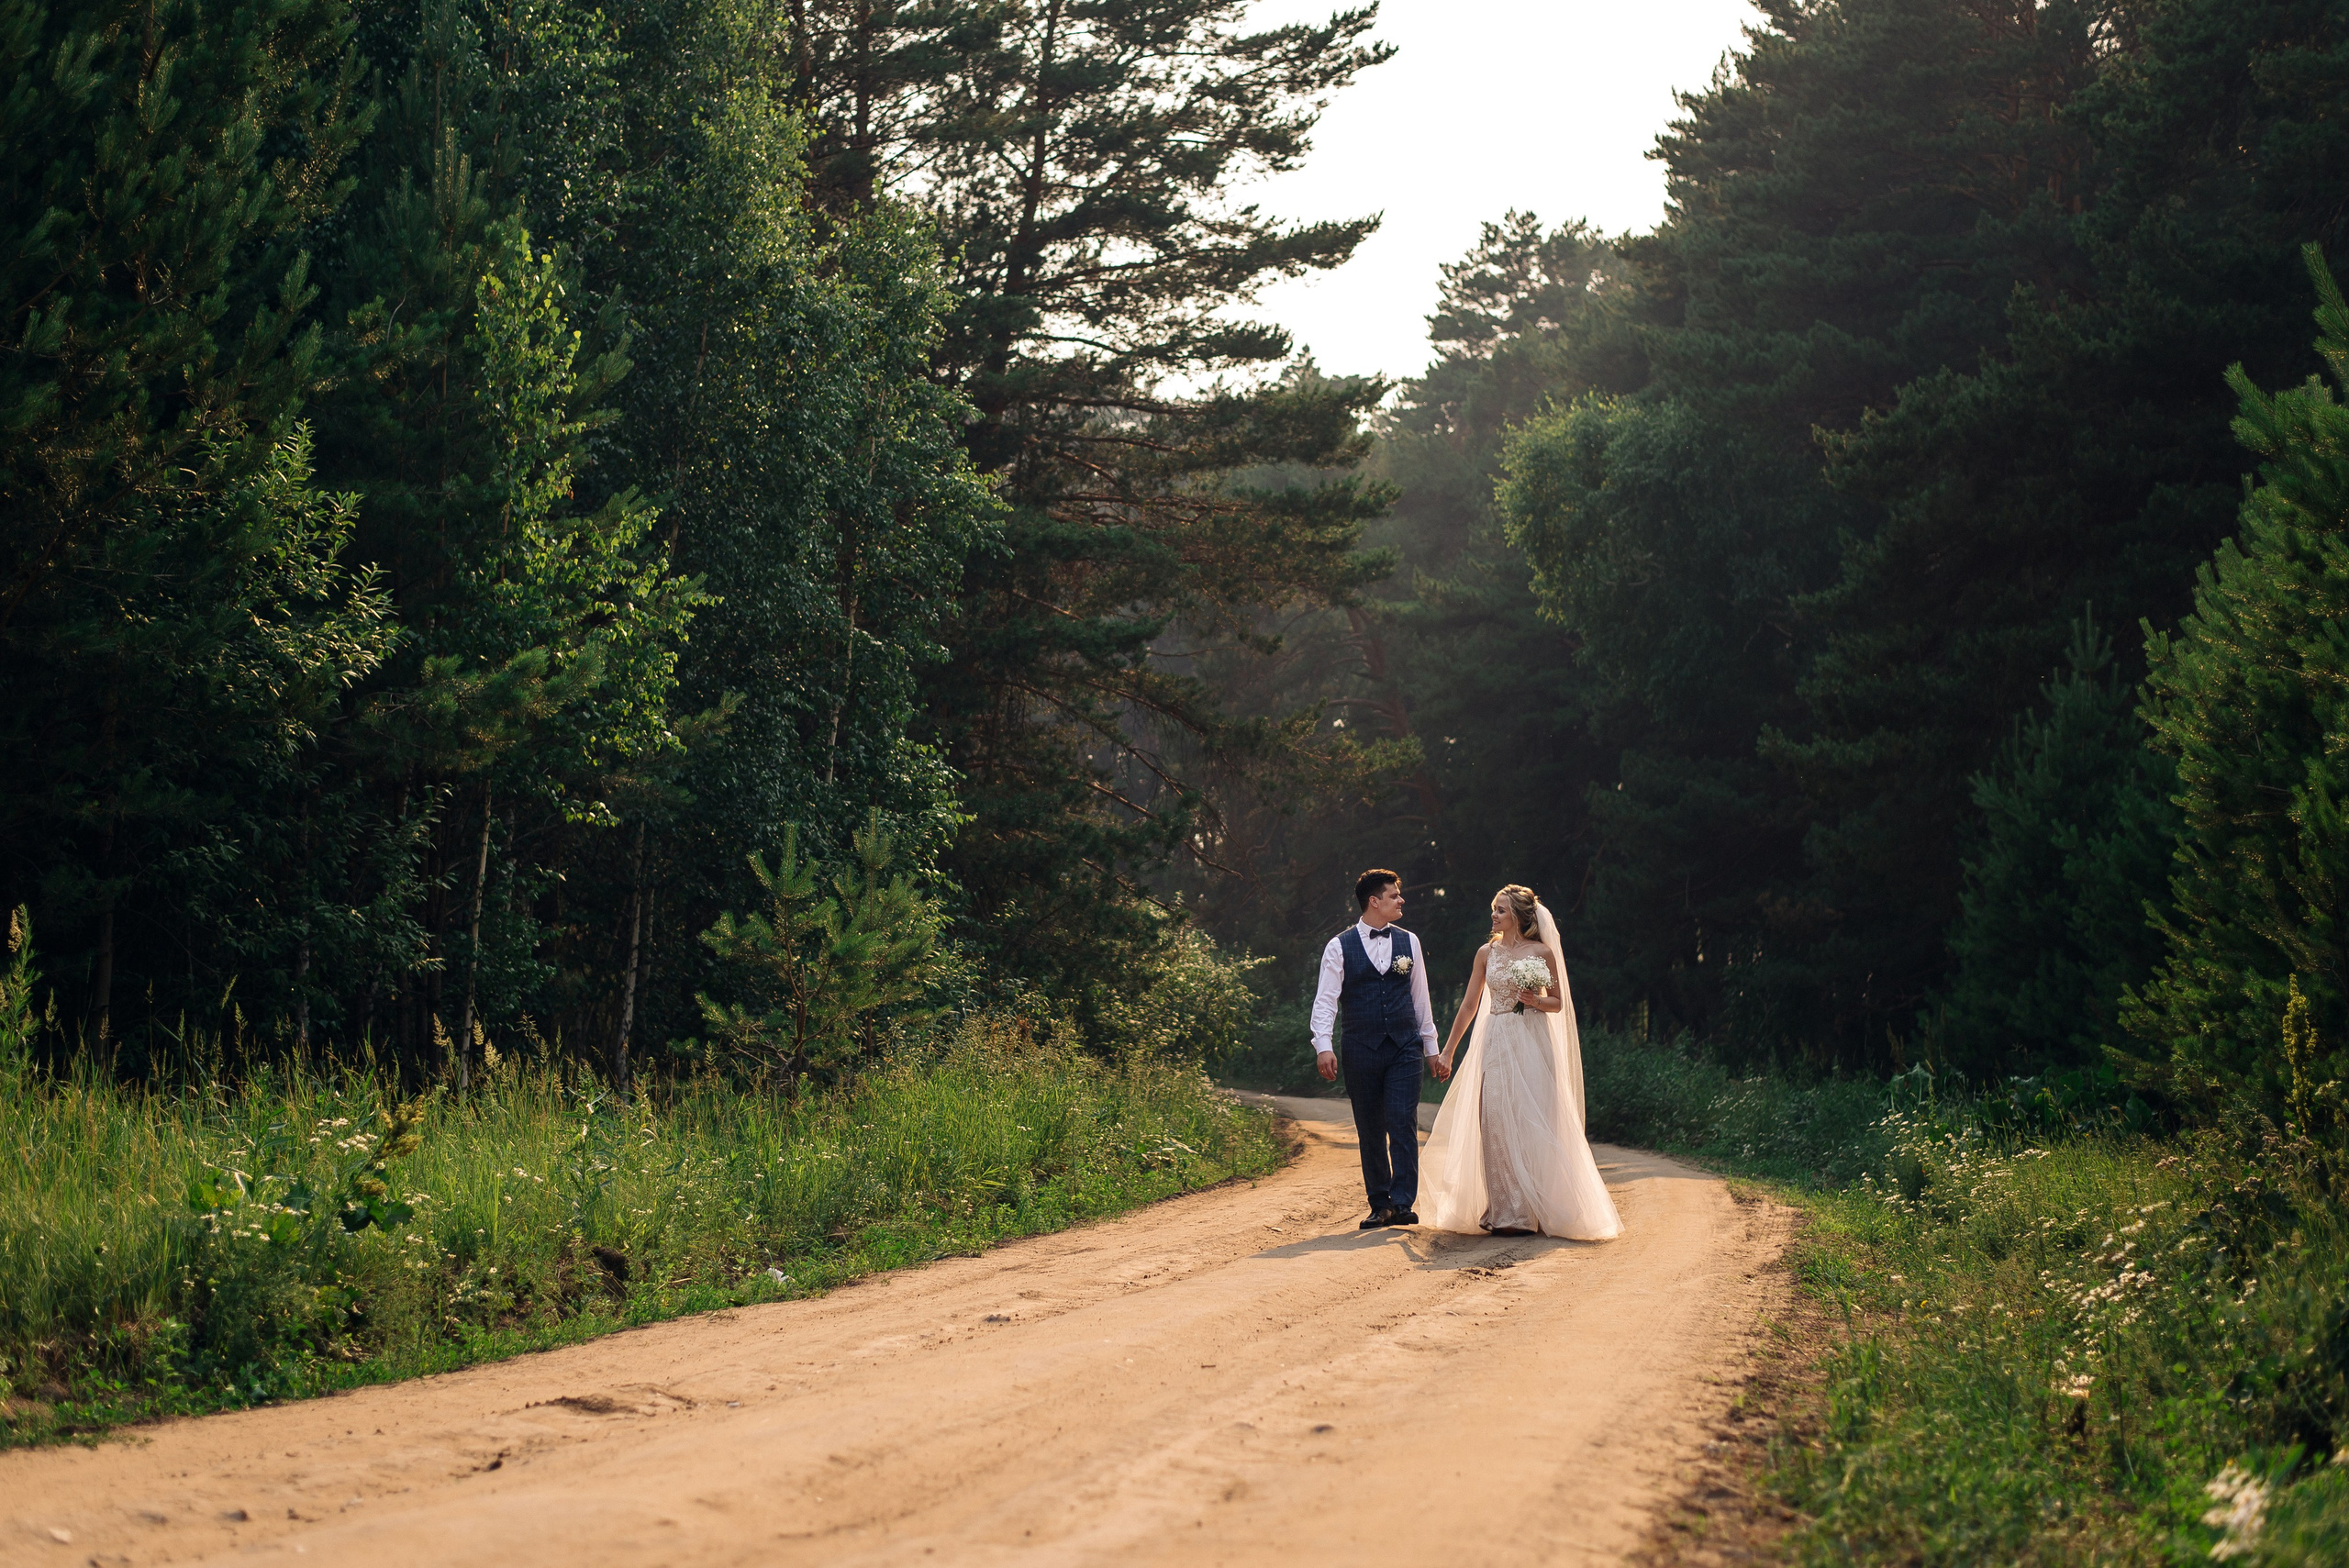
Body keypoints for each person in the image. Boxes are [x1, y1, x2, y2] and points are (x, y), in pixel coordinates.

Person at [1422, 884, 1621, 1240]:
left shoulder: (1542, 952)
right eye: (1493, 910)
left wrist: (1534, 1000)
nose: (1494, 916)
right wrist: (1449, 1050)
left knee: (1533, 1120)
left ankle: (1534, 1207)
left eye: (1500, 910)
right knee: (1495, 1120)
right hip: (1497, 1040)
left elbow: (1558, 1002)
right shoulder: (1486, 953)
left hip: (1532, 1040)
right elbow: (1469, 1006)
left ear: (1517, 915)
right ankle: (1506, 1212)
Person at [1310, 869, 1451, 1229]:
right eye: (1394, 896)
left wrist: (1431, 1047)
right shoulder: (1338, 946)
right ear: (1375, 902)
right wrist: (1323, 1045)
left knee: (1402, 1121)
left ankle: (1404, 1202)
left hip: (1405, 1046)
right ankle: (1381, 1203)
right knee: (1370, 1127)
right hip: (1360, 1048)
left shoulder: (1410, 942)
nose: (1401, 900)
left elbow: (1421, 999)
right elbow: (1326, 1001)